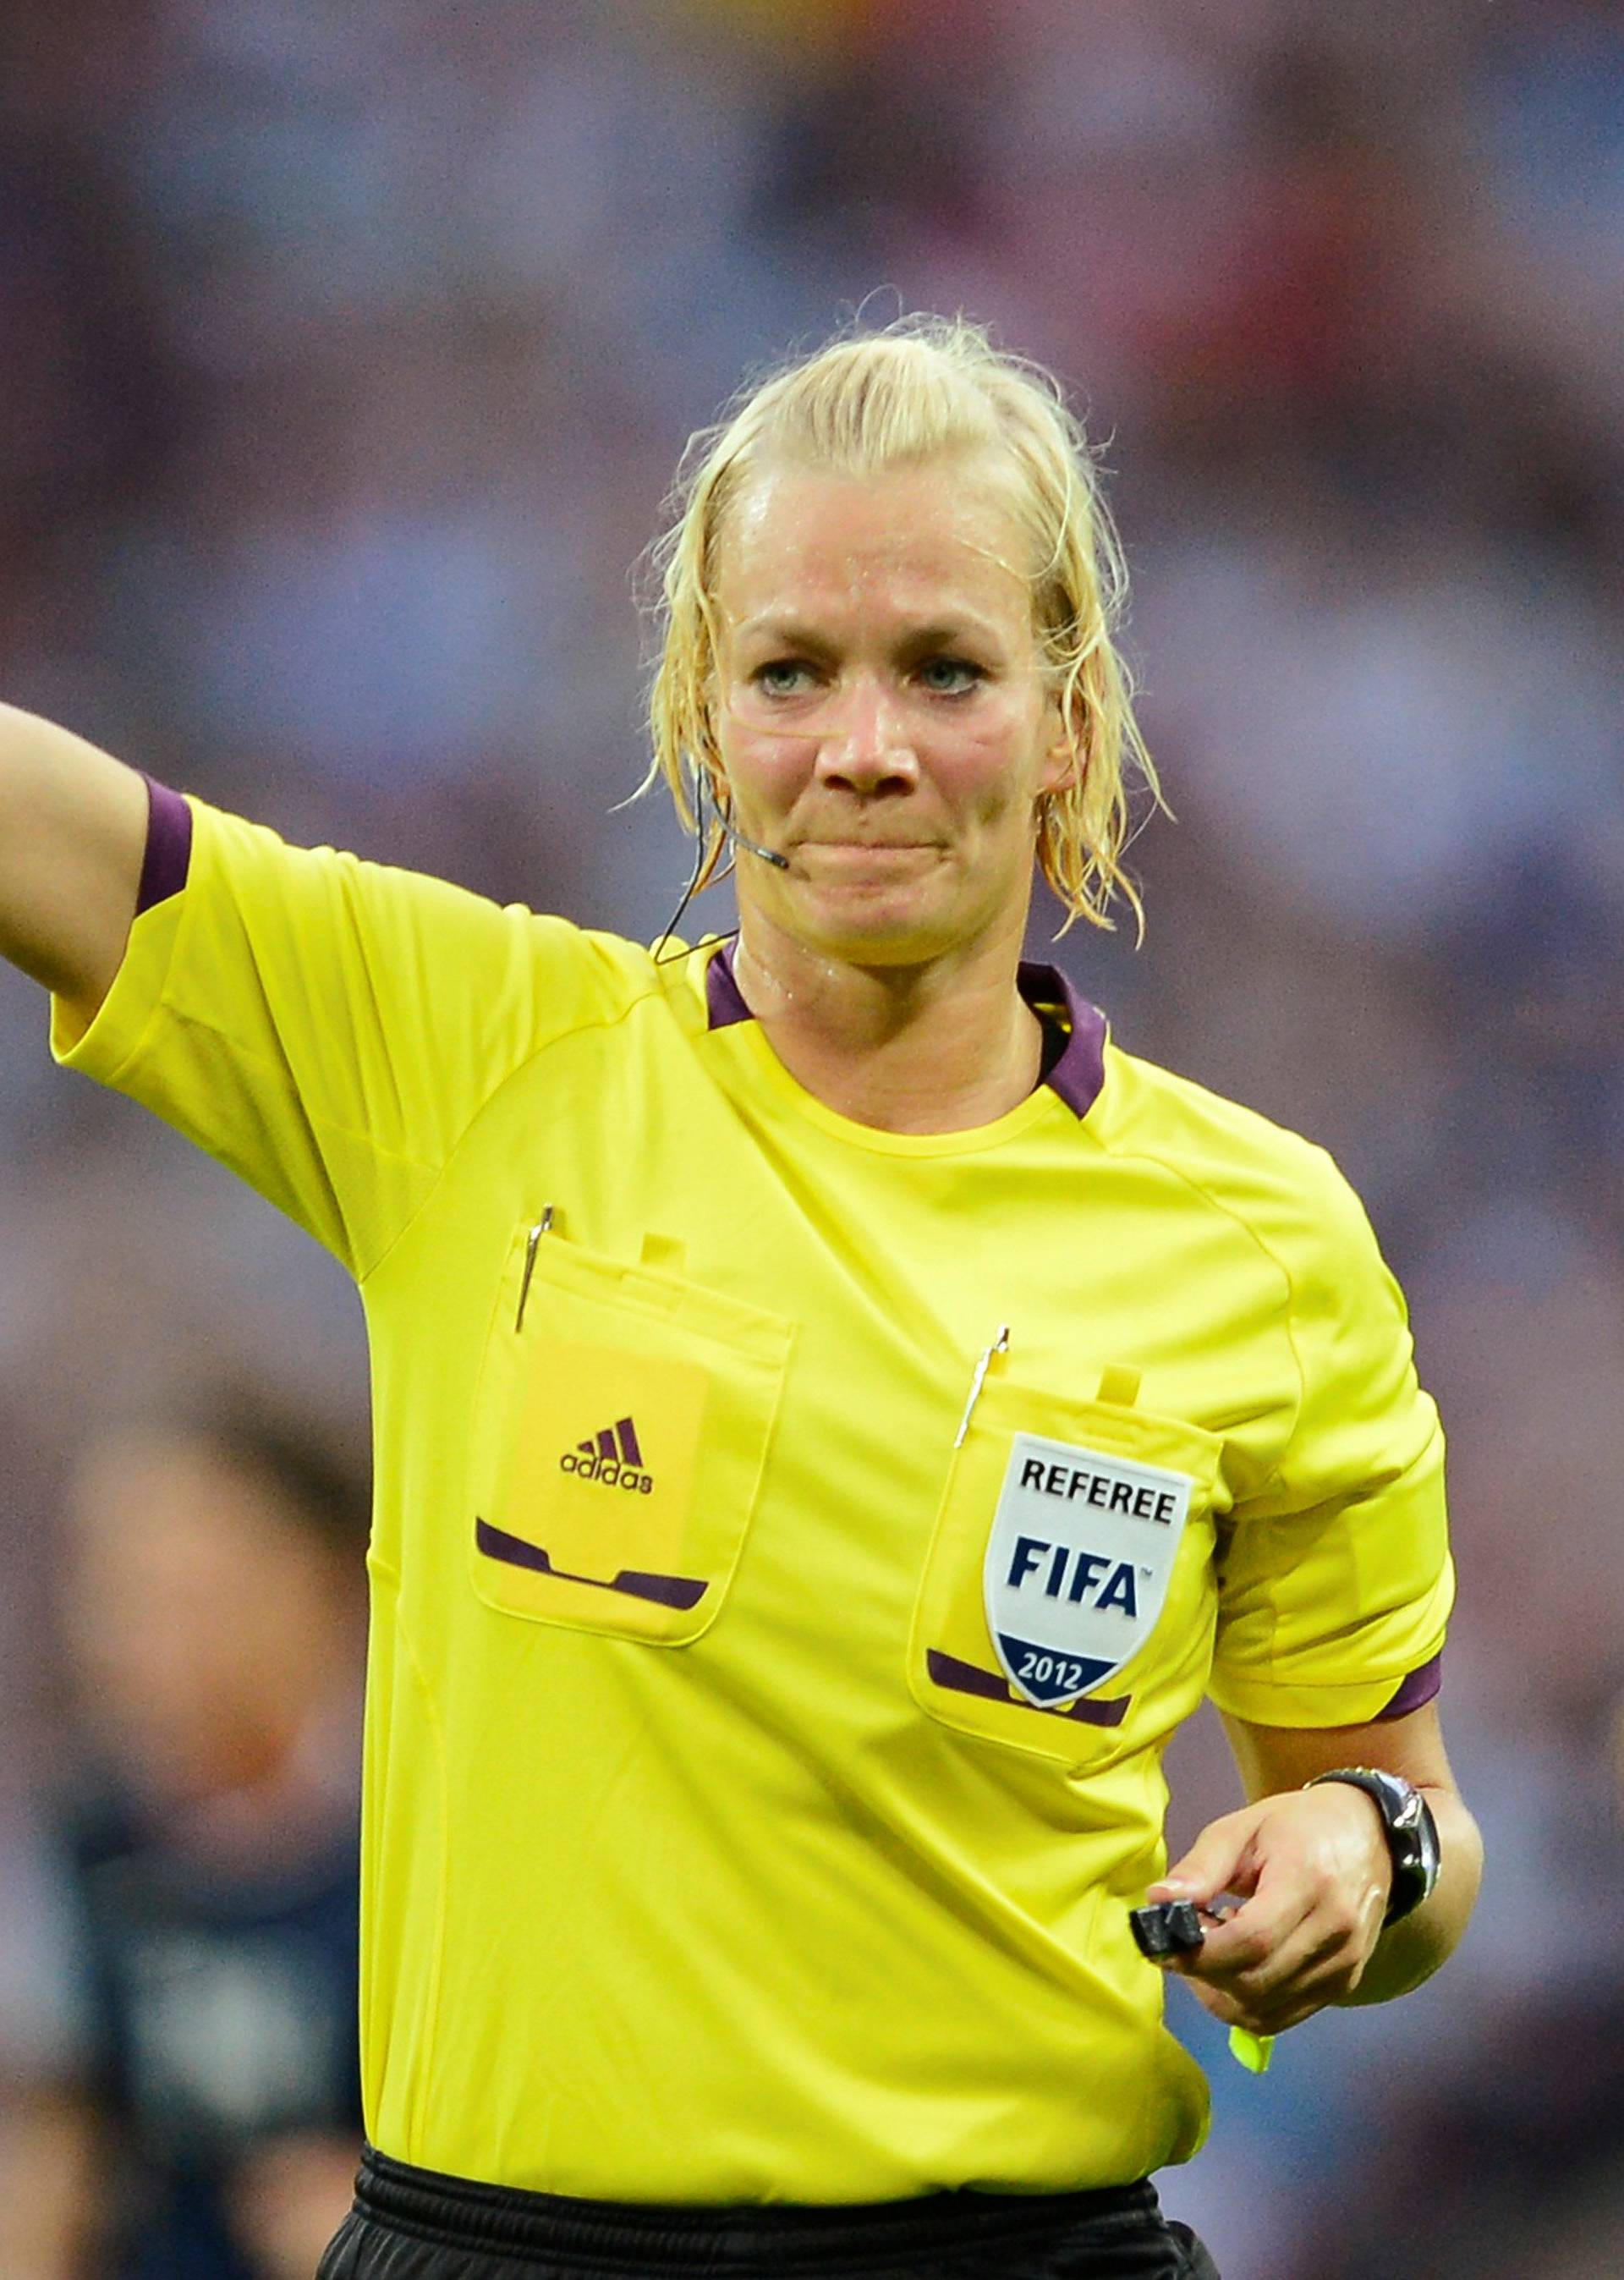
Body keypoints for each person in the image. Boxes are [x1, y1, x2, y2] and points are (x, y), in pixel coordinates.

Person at [0, 316, 1482, 2280]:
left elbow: (1410, 1825)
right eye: (792, 671)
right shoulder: (472, 1062)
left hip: (1019, 2250)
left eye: (943, 669)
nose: (862, 745)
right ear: (703, 713)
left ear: (1067, 720)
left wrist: (1355, 1858)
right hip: (498, 2249)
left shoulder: (1267, 1239)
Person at [0, 1399, 366, 2280]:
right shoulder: (80, 1857)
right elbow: (46, 2172)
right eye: (120, 1596)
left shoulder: (414, 1846)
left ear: (326, 1586)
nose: (153, 1644)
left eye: (201, 1596)